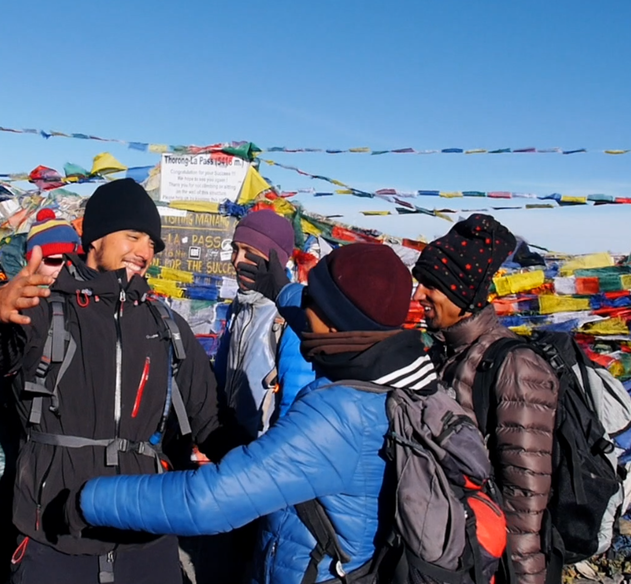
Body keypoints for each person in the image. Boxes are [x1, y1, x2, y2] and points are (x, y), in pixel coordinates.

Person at [72, 242, 436, 584]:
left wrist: (89, 499)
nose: (303, 310)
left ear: (335, 320)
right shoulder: (404, 376)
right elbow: (328, 311)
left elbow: (210, 500)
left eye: (312, 300)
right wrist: (282, 290)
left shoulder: (339, 417)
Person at [0, 179, 243, 584]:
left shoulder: (167, 327)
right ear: (96, 237)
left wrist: (265, 466)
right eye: (134, 236)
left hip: (146, 538)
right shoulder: (46, 312)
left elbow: (211, 420)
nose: (145, 252)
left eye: (151, 243)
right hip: (53, 533)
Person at [412, 214, 559, 584]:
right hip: (448, 552)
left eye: (432, 285)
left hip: (485, 562)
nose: (418, 295)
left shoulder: (515, 366)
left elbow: (525, 499)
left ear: (462, 292)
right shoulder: (443, 354)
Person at [0, 209, 83, 584]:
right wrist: (1, 470)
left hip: (42, 462)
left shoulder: (61, 302)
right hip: (6, 458)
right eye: (53, 260)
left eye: (70, 259)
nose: (62, 268)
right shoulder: (6, 303)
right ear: (33, 259)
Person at [215, 210, 314, 439]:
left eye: (249, 252)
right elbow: (221, 379)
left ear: (275, 260)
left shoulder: (291, 318)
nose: (237, 260)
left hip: (264, 457)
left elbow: (294, 408)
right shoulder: (238, 307)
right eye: (235, 249)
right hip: (231, 446)